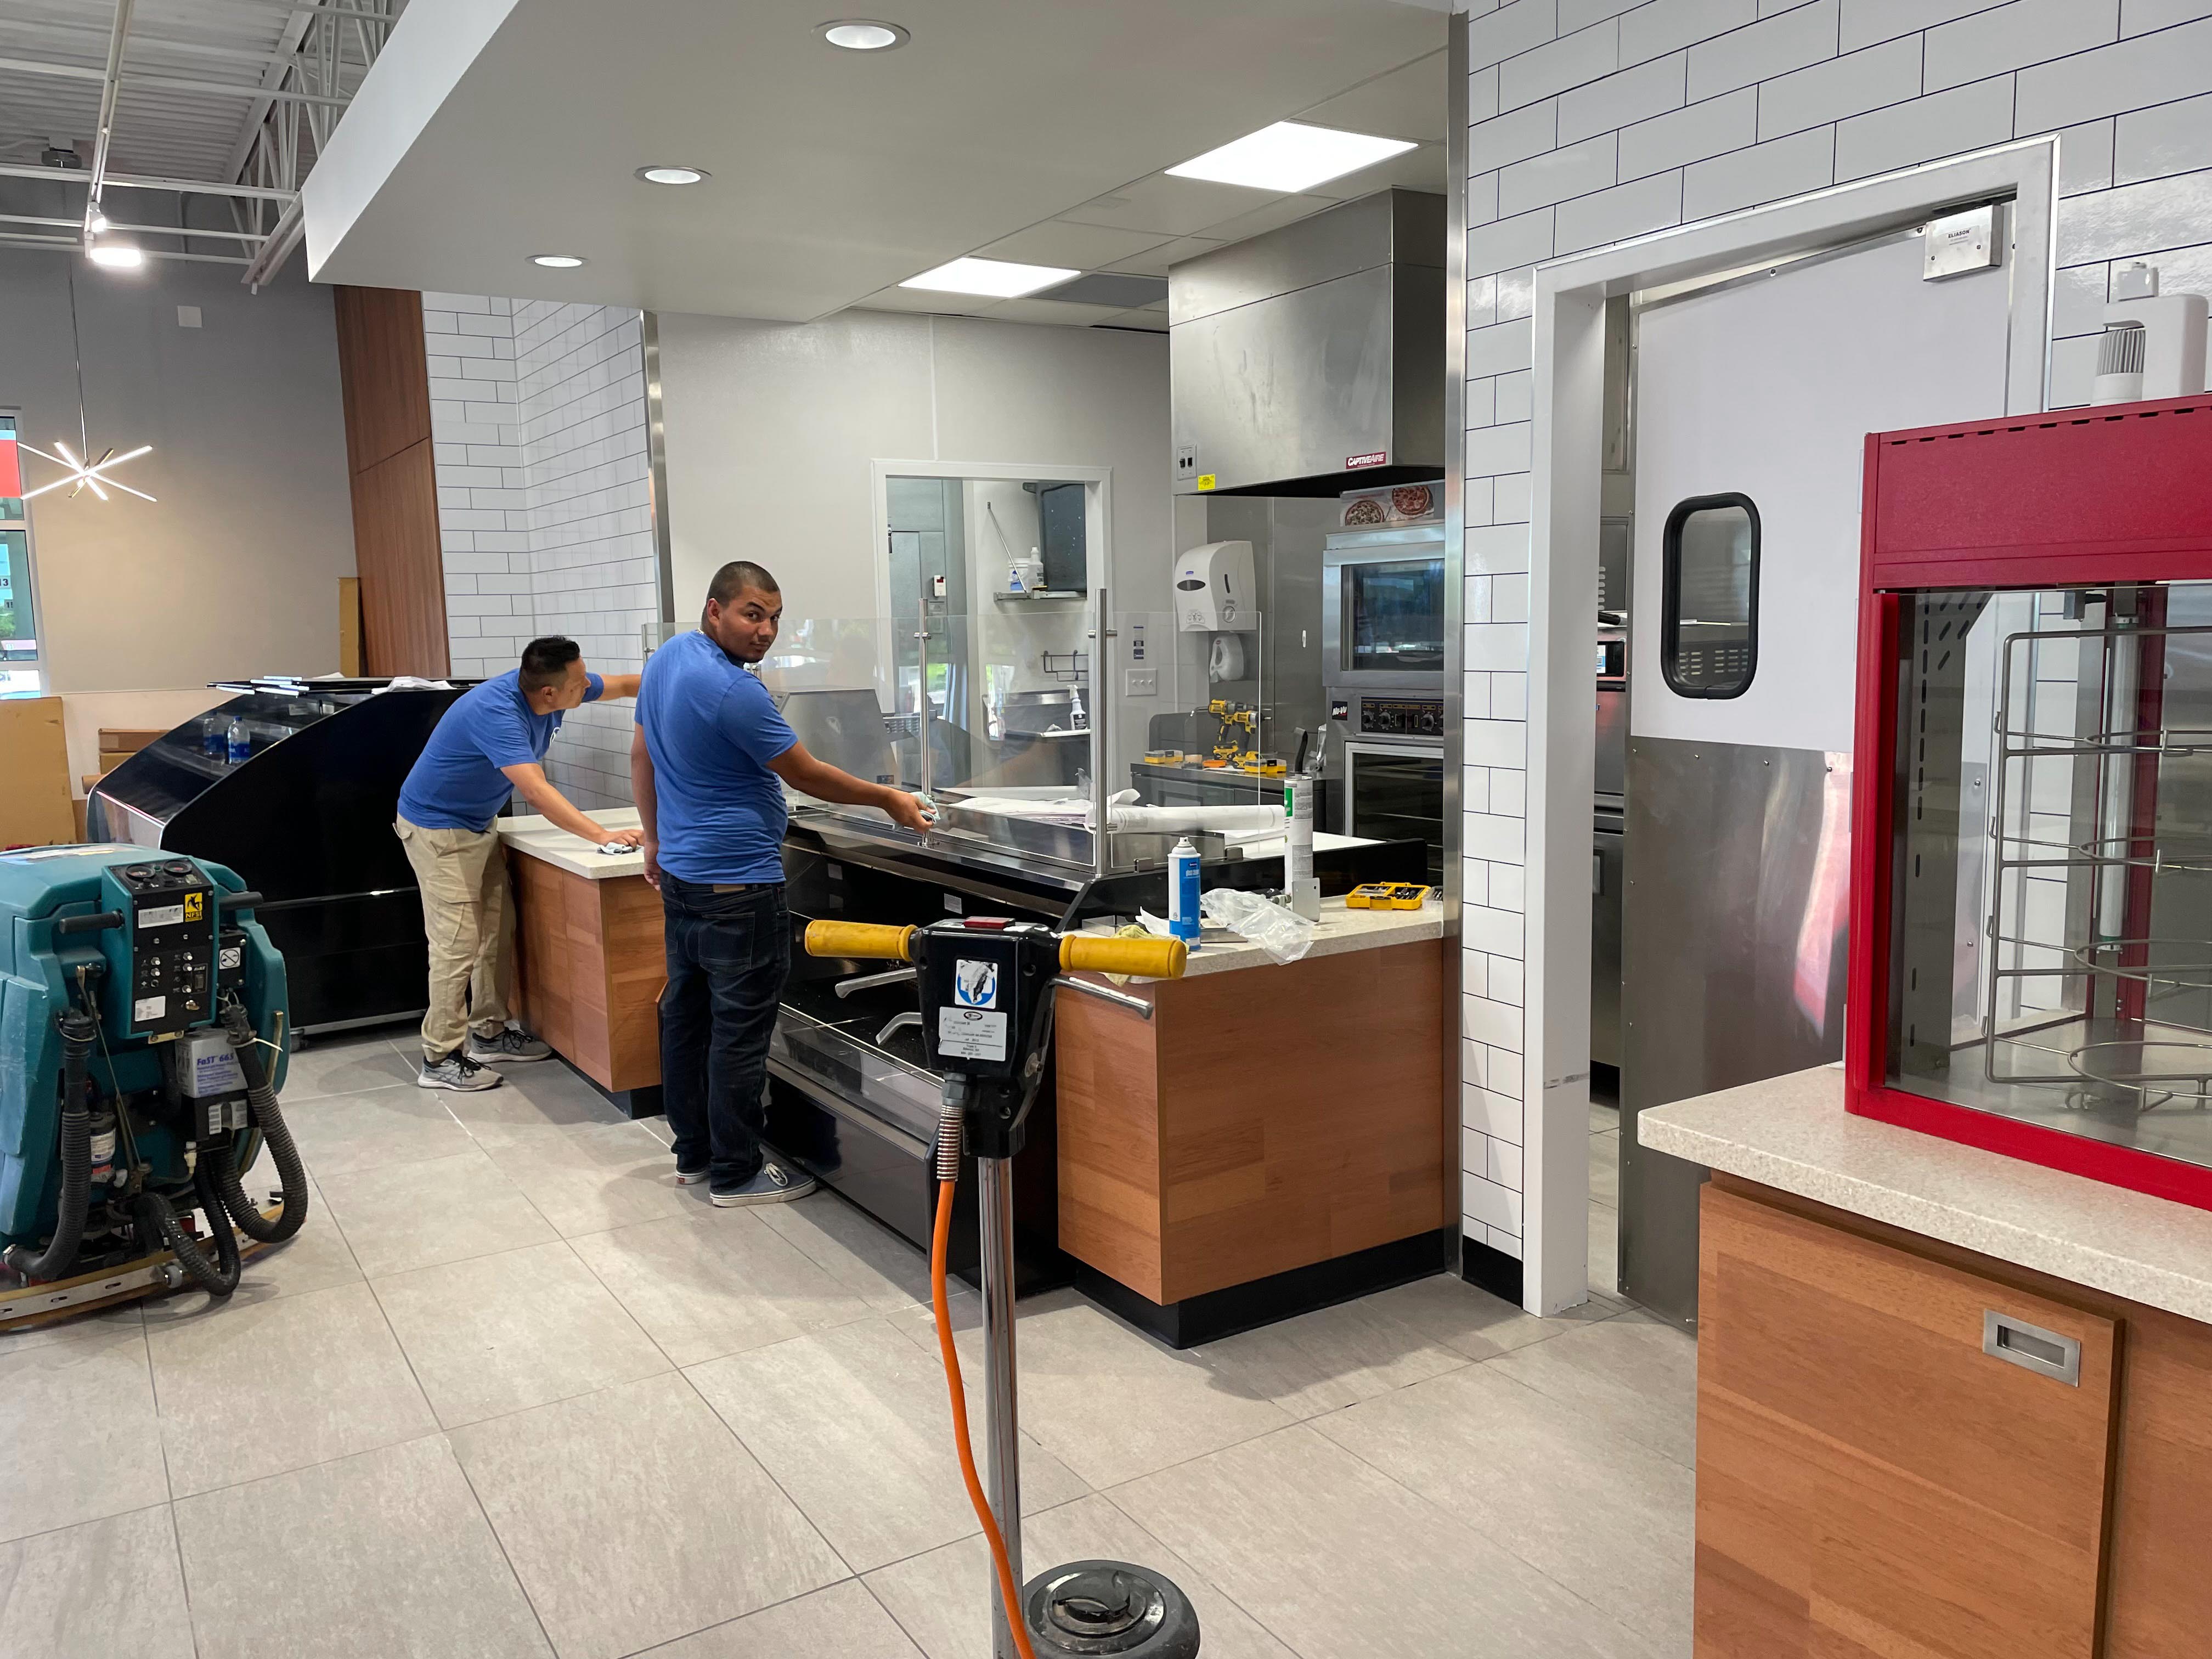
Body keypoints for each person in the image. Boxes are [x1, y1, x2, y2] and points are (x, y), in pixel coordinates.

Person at [632, 560, 934, 1205]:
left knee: (688, 1023)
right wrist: (889, 798)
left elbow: (643, 754)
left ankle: (696, 1157)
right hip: (739, 887)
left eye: (774, 618)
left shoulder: (667, 660)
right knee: (738, 1035)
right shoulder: (733, 692)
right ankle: (737, 1172)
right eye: (751, 614)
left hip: (685, 877)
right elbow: (806, 775)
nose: (765, 630)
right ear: (714, 610)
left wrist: (655, 839)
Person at [395, 637, 643, 1092]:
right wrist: (602, 835)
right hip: (438, 828)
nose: (587, 686)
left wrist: (685, 686)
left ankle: (489, 1031)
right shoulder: (499, 713)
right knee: (457, 942)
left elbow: (628, 685)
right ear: (549, 693)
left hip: (475, 821)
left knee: (496, 926)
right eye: (579, 682)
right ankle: (440, 1057)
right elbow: (537, 792)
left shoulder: (556, 686)